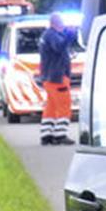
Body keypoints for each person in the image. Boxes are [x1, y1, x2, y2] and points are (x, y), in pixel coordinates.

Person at [37, 14, 76, 146]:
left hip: (49, 77)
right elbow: (59, 47)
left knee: (51, 107)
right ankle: (60, 135)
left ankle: (46, 135)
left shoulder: (47, 35)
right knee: (64, 105)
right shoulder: (52, 35)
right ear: (57, 23)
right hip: (57, 78)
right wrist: (70, 35)